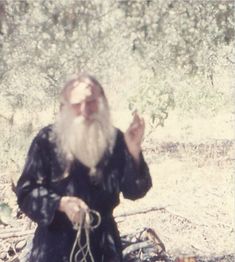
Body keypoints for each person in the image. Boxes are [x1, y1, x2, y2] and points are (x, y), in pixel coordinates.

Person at [16, 73, 152, 262]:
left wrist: (133, 151)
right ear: (64, 108)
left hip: (104, 246)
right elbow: (26, 193)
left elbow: (135, 191)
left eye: (91, 102)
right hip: (54, 247)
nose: (85, 110)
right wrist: (60, 203)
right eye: (76, 104)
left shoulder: (115, 140)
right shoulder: (46, 141)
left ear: (102, 102)